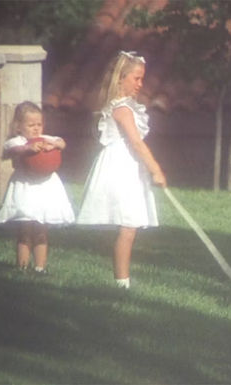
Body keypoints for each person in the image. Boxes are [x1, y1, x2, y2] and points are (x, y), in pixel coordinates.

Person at [76, 51, 166, 289]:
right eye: (136, 78)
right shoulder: (122, 109)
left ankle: (121, 280)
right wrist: (155, 168)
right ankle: (121, 283)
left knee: (129, 226)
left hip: (128, 166)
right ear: (120, 79)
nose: (140, 84)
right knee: (127, 226)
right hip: (120, 168)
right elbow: (136, 142)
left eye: (141, 78)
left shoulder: (127, 107)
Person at [0, 101, 75, 274]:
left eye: (39, 124)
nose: (36, 128)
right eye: (31, 125)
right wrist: (28, 148)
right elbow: (12, 150)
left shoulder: (46, 139)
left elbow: (62, 143)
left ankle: (40, 268)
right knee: (25, 230)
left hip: (45, 188)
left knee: (41, 230)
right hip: (26, 188)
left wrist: (54, 145)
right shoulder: (17, 141)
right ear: (18, 127)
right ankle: (22, 267)